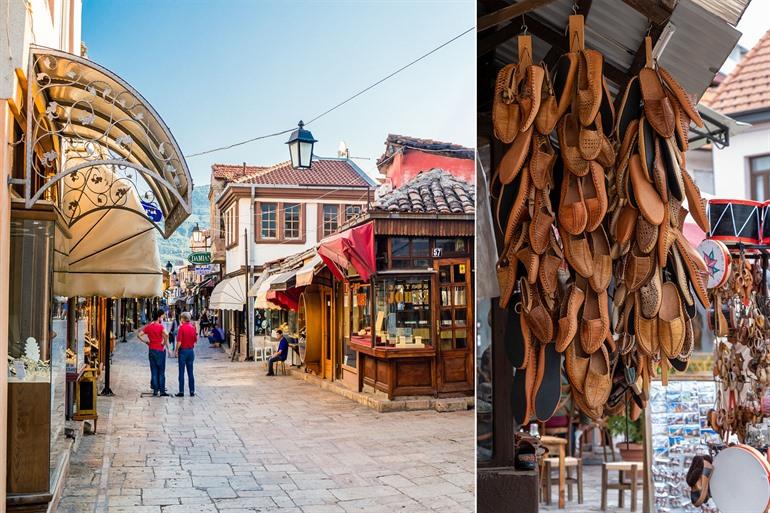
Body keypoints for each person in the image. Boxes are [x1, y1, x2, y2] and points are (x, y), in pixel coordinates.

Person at [137, 309, 169, 396]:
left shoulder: (149, 327)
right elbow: (166, 334)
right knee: (161, 371)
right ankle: (162, 391)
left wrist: (146, 342)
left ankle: (155, 390)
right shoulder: (160, 327)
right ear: (158, 318)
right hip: (160, 350)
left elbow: (139, 335)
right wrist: (164, 342)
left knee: (154, 371)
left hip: (152, 349)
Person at [175, 311, 197, 397]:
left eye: (181, 318)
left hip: (183, 352)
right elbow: (195, 340)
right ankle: (192, 391)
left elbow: (179, 341)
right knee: (190, 372)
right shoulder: (192, 328)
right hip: (191, 351)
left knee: (181, 372)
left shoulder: (181, 328)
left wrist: (176, 350)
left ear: (183, 319)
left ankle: (181, 391)